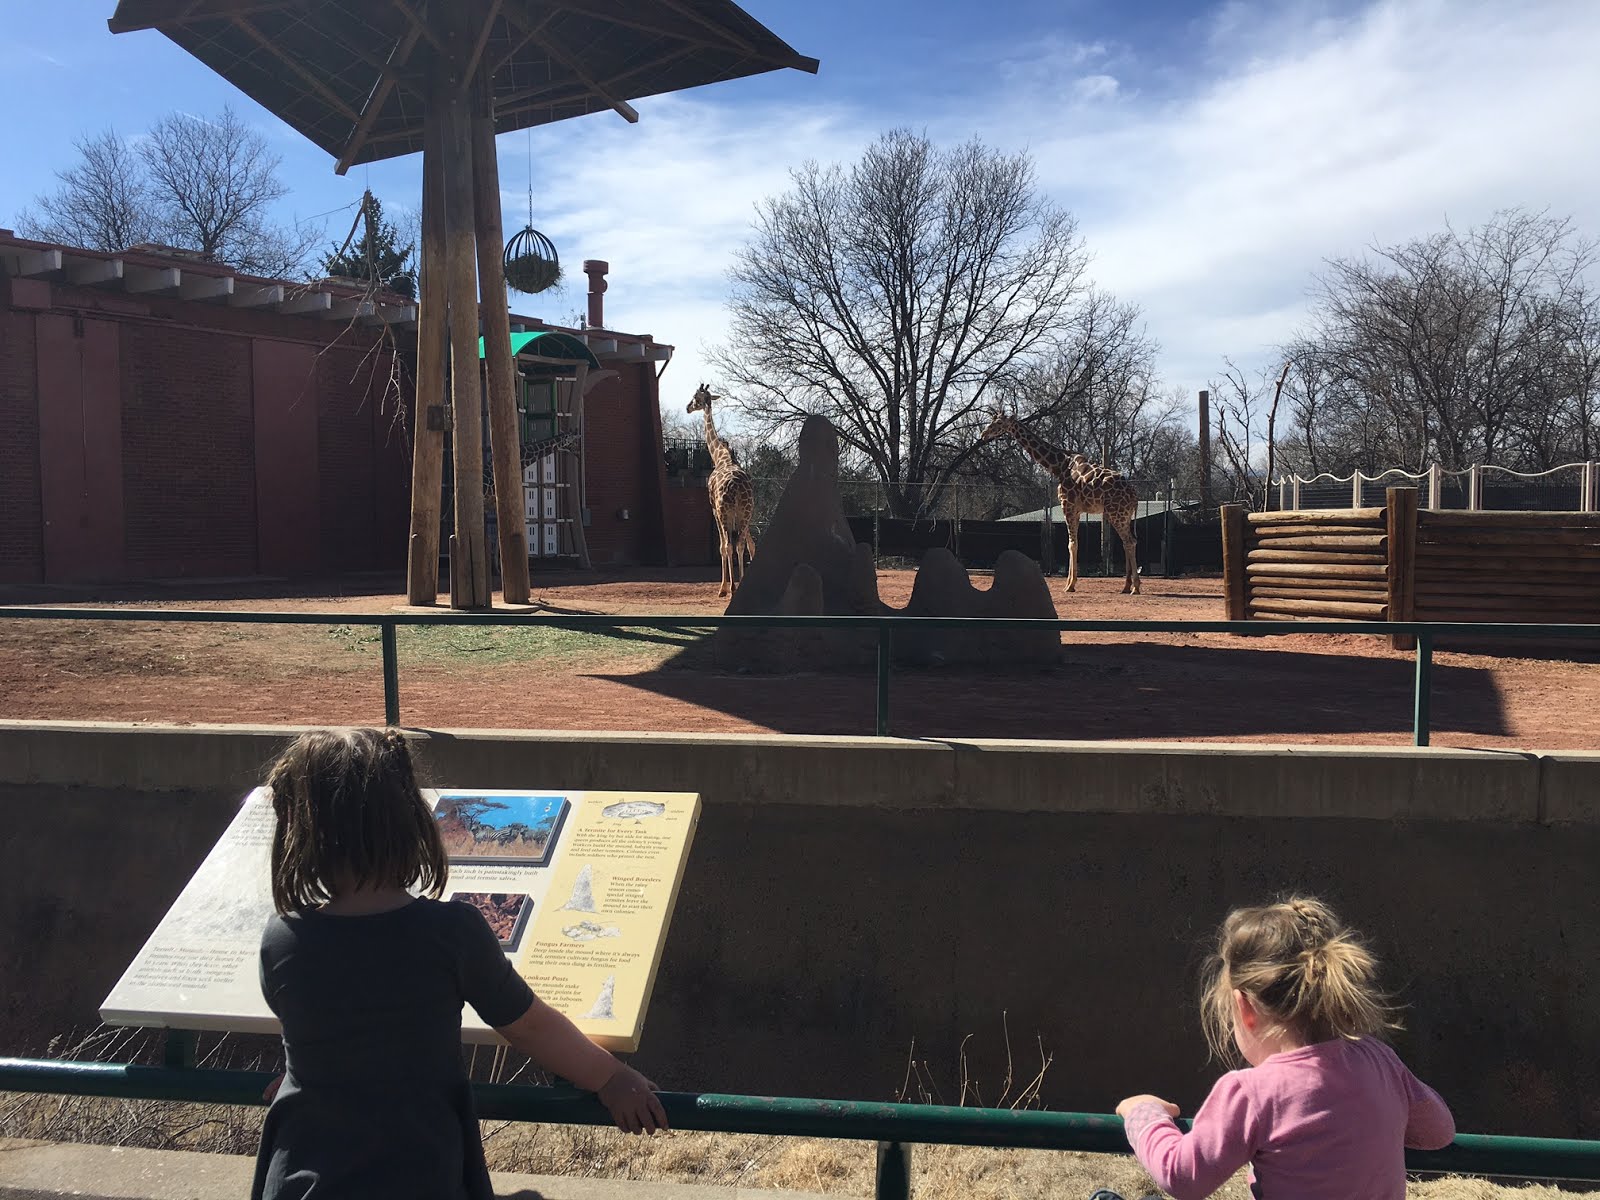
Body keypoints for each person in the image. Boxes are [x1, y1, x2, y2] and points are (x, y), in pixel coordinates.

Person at [250, 728, 667, 1200]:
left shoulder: (282, 939)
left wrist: (305, 1071)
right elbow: (528, 1026)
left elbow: (320, 1026)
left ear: (300, 831)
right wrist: (611, 1078)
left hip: (300, 1181)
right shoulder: (451, 932)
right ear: (411, 820)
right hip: (417, 1178)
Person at [1107, 896, 1453, 1200]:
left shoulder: (1252, 1093)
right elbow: (1439, 1132)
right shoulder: (1379, 1060)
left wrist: (1144, 1112)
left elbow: (1181, 1175)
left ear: (1245, 1008)